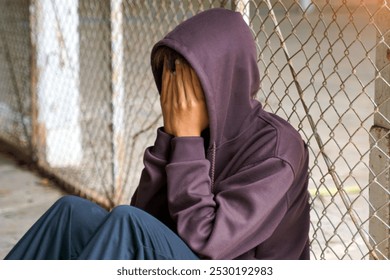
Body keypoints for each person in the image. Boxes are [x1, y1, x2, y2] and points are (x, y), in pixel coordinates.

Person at [5, 8, 310, 260]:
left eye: (188, 91)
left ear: (225, 85)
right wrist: (171, 138)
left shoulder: (278, 150)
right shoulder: (195, 134)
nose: (177, 102)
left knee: (129, 222)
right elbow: (147, 214)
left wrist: (187, 140)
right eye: (171, 89)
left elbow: (208, 243)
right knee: (70, 213)